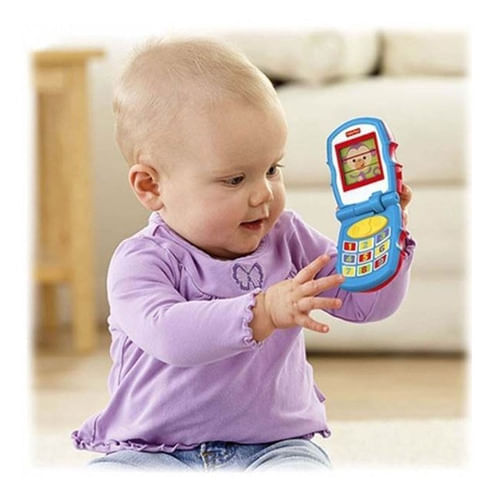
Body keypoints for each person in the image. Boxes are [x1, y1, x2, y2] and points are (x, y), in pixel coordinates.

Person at [71, 37, 415, 471]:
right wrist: (264, 310)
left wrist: (391, 242)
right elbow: (169, 334)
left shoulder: (288, 237)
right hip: (153, 451)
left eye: (272, 169)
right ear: (151, 186)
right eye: (235, 179)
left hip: (274, 447)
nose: (263, 194)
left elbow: (366, 305)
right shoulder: (141, 260)